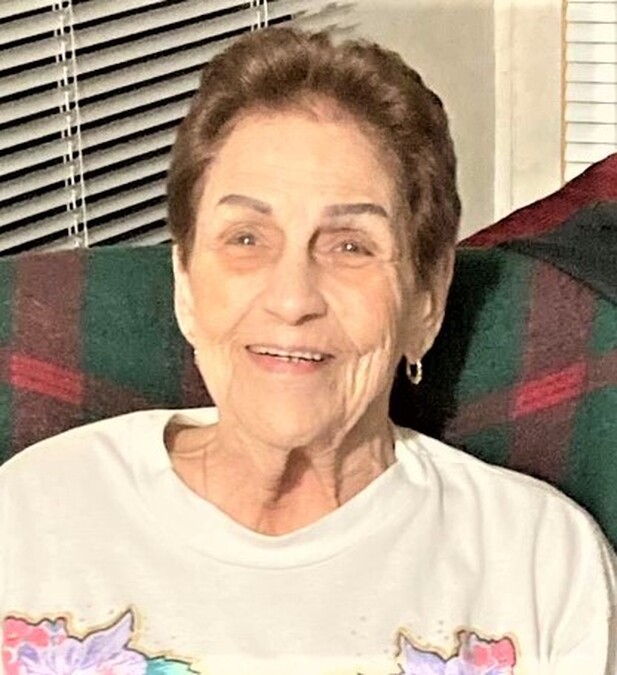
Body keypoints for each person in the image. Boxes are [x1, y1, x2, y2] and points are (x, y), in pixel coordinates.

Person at [1, 27, 615, 675]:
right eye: (246, 238)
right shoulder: (30, 514)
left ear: (425, 299)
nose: (292, 298)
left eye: (350, 245)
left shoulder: (540, 563)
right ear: (185, 281)